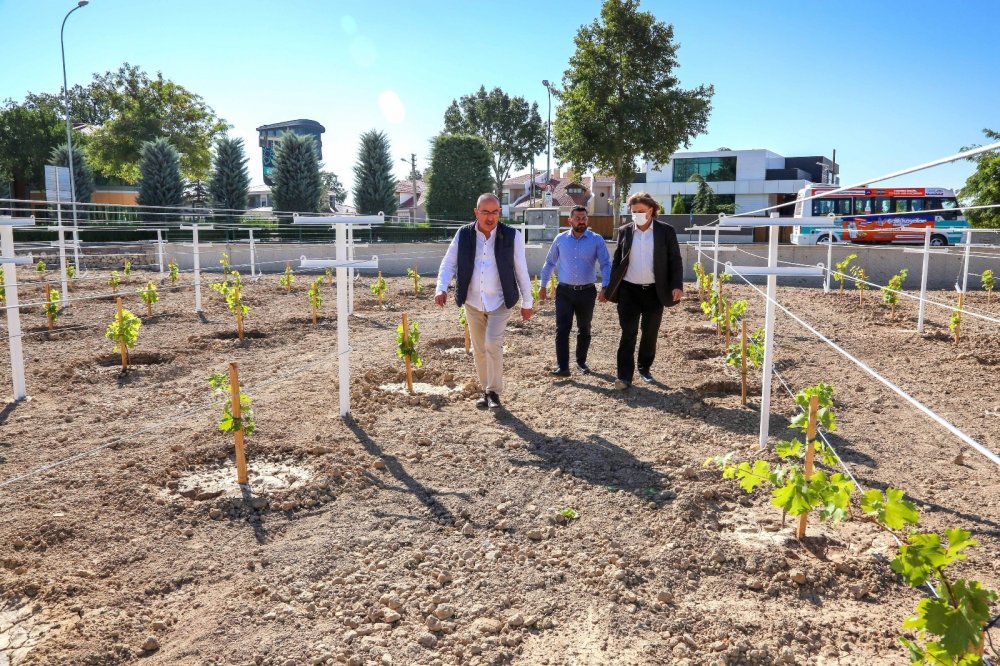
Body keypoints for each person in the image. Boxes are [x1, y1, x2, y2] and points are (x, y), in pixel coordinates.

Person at [435, 193, 534, 409]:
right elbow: (449, 263)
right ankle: (486, 391)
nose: (490, 217)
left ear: (500, 212)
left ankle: (494, 393)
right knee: (479, 349)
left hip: (500, 301)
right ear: (476, 212)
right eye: (485, 212)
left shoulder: (512, 236)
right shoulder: (464, 234)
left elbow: (521, 270)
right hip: (472, 302)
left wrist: (528, 302)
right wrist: (441, 287)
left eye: (495, 212)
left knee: (492, 344)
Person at [605, 192, 683, 390]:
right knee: (628, 333)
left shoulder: (666, 232)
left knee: (649, 333)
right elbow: (617, 260)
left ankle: (644, 367)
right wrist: (608, 287)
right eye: (633, 212)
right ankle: (624, 376)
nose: (637, 215)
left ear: (651, 210)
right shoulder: (625, 231)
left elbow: (675, 260)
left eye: (640, 211)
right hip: (629, 291)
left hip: (654, 291)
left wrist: (677, 285)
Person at [538, 205, 611, 377]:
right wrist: (543, 285)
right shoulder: (560, 239)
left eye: (584, 218)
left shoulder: (596, 240)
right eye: (577, 218)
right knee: (562, 328)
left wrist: (606, 287)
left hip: (587, 292)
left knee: (584, 328)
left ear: (587, 220)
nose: (581, 221)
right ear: (570, 220)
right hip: (564, 292)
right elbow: (549, 263)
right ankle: (562, 367)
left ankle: (581, 362)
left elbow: (606, 264)